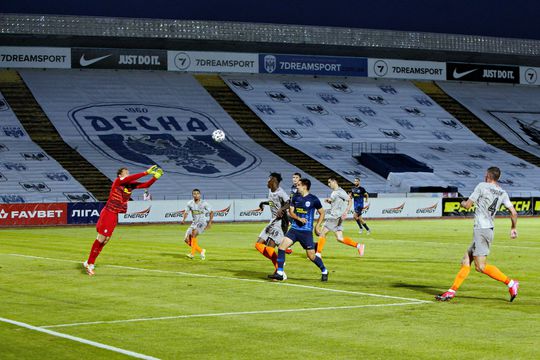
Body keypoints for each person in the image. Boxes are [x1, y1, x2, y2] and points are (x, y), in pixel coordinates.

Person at [436, 167, 519, 302]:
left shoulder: (482, 186)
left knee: (480, 267)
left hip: (482, 230)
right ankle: (451, 291)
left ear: (487, 175)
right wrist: (513, 228)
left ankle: (511, 283)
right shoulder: (502, 192)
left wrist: (461, 202)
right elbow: (514, 213)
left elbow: (468, 205)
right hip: (487, 229)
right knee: (466, 260)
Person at [83, 165, 163, 276]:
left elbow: (146, 185)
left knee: (105, 240)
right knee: (101, 238)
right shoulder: (118, 181)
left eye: (128, 172)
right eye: (125, 172)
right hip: (108, 212)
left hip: (114, 214)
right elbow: (127, 179)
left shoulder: (130, 185)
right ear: (120, 175)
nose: (128, 173)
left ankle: (88, 261)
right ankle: (90, 264)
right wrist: (146, 172)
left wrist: (156, 177)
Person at [268, 178, 329, 282]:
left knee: (311, 256)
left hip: (306, 232)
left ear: (305, 186)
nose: (297, 186)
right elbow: (291, 212)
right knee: (282, 247)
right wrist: (298, 218)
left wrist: (317, 226)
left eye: (299, 185)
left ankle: (324, 270)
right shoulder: (295, 197)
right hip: (294, 229)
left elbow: (322, 212)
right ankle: (280, 273)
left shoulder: (313, 199)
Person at [316, 177, 364, 257]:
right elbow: (335, 202)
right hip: (338, 217)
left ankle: (318, 253)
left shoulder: (340, 192)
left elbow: (349, 200)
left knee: (322, 233)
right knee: (340, 238)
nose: (328, 184)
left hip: (335, 217)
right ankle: (359, 246)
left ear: (334, 182)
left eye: (329, 182)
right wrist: (329, 201)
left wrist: (346, 211)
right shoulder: (335, 192)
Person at [255, 173, 290, 271]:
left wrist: (282, 209)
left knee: (270, 248)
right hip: (272, 222)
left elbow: (289, 202)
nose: (267, 181)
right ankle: (280, 262)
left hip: (280, 222)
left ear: (273, 180)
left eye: (268, 179)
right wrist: (263, 203)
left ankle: (279, 270)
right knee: (258, 245)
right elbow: (272, 203)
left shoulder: (281, 192)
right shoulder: (270, 191)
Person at [181, 189, 214, 260]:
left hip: (202, 222)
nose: (196, 195)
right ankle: (201, 250)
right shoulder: (190, 203)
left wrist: (210, 222)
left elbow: (211, 212)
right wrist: (183, 219)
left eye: (197, 193)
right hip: (194, 223)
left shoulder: (204, 203)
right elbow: (186, 212)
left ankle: (192, 254)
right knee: (186, 240)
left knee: (194, 233)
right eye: (194, 194)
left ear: (200, 195)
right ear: (192, 195)